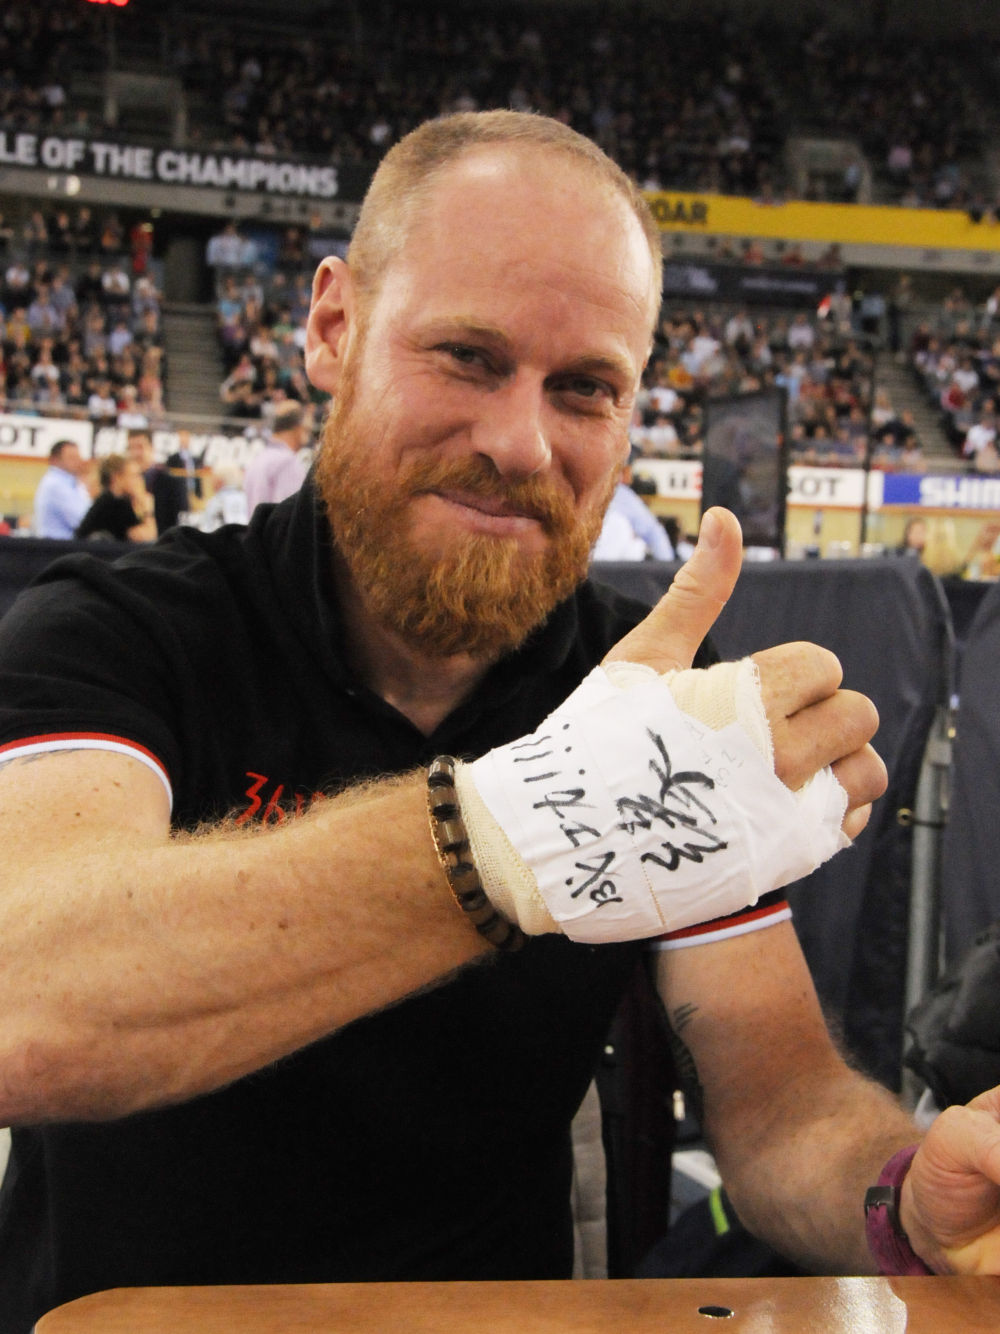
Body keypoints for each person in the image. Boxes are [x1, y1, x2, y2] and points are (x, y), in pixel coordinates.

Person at [0, 112, 997, 1334]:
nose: (520, 442)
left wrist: (906, 1202)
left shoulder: (645, 688)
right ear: (332, 328)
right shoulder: (119, 630)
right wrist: (530, 831)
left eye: (585, 388)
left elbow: (779, 1103)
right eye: (468, 357)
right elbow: (24, 1002)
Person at [242, 399, 311, 516]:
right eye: (307, 429)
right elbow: (290, 514)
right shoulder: (287, 462)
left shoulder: (259, 459)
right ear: (298, 428)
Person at [75, 454, 157, 543]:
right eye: (135, 476)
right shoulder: (114, 503)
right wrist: (147, 509)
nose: (140, 481)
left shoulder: (108, 499)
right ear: (117, 478)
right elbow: (147, 536)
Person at [32, 438, 92, 538]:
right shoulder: (55, 484)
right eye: (72, 458)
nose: (78, 461)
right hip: (57, 544)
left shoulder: (72, 483)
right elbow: (83, 520)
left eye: (78, 457)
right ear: (56, 460)